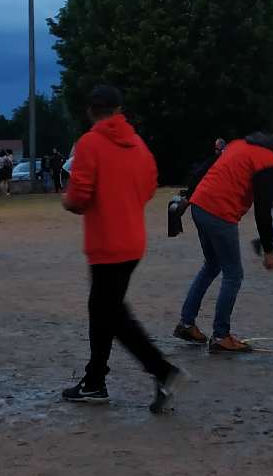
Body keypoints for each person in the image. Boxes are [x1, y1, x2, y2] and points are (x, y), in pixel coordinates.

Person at [58, 85, 186, 413]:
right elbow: (148, 187)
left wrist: (68, 201)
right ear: (118, 109)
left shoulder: (90, 143)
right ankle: (94, 381)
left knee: (111, 314)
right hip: (132, 240)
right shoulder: (139, 145)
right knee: (103, 310)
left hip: (106, 242)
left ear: (90, 110)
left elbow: (79, 196)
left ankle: (162, 371)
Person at [172, 121, 273, 354]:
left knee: (212, 266)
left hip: (200, 206)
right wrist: (269, 251)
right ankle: (221, 335)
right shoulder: (268, 159)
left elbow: (205, 168)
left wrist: (188, 197)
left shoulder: (240, 144)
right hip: (220, 212)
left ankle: (186, 323)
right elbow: (262, 209)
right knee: (234, 274)